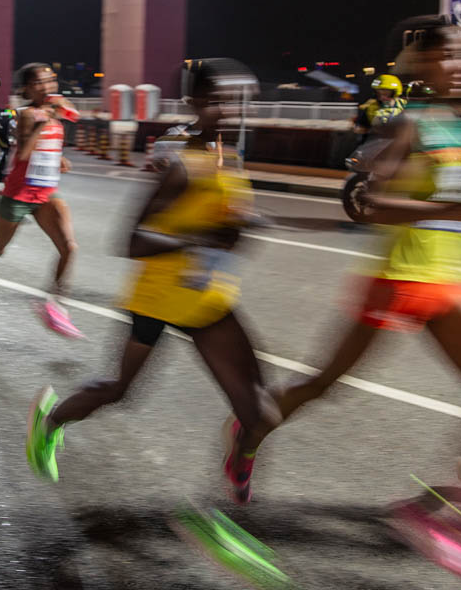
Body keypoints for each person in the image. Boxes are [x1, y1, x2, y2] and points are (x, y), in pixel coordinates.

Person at [233, 29, 461, 506]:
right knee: (325, 383)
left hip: (451, 283)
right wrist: (450, 211)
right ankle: (251, 430)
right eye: (451, 58)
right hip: (399, 278)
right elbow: (373, 202)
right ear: (426, 67)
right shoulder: (411, 124)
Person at [24, 58, 281, 508]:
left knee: (260, 405)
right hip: (162, 297)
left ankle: (233, 475)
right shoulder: (179, 160)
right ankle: (48, 425)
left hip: (206, 296)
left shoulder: (226, 154)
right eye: (216, 99)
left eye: (232, 100)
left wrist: (241, 224)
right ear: (194, 101)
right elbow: (132, 241)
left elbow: (220, 222)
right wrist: (201, 236)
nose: (227, 108)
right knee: (122, 391)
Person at [0, 63, 81, 337]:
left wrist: (59, 158)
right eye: (38, 82)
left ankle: (56, 306)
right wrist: (45, 120)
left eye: (49, 80)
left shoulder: (55, 111)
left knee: (69, 247)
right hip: (19, 193)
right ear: (26, 89)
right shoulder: (27, 115)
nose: (46, 86)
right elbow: (22, 154)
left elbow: (72, 119)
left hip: (45, 193)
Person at [353, 73, 407, 143]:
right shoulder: (369, 107)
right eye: (378, 94)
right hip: (377, 144)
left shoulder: (404, 105)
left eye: (386, 94)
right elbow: (360, 127)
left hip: (400, 143)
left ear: (395, 92)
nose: (382, 97)